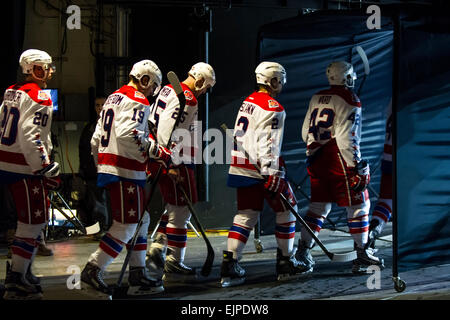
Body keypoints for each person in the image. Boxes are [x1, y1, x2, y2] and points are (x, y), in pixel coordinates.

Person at [80, 60, 172, 297]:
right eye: (153, 86)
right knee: (127, 224)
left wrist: (103, 165)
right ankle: (93, 268)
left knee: (141, 220)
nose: (152, 92)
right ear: (144, 79)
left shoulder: (113, 97)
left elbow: (95, 139)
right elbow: (128, 134)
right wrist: (156, 151)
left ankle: (137, 273)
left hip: (115, 168)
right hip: (125, 171)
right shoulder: (138, 100)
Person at [220, 61, 309, 288]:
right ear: (273, 80)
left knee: (246, 215)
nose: (282, 82)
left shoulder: (248, 101)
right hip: (262, 169)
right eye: (280, 78)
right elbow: (269, 144)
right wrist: (272, 172)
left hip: (241, 165)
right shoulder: (274, 107)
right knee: (288, 210)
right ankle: (285, 261)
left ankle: (229, 264)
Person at [297, 61, 384, 275]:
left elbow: (303, 132)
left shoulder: (316, 96)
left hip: (316, 156)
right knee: (359, 203)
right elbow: (348, 136)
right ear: (346, 77)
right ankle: (362, 254)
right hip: (338, 157)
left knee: (319, 206)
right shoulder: (349, 99)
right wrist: (356, 166)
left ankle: (302, 252)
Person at [146, 62, 216, 283]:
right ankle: (174, 261)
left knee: (174, 208)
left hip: (162, 155)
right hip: (177, 160)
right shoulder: (189, 98)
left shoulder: (168, 88)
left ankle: (159, 243)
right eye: (206, 87)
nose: (204, 92)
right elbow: (170, 131)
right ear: (200, 81)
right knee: (181, 213)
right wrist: (172, 163)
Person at [0, 49, 59, 300]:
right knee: (33, 223)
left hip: (7, 163)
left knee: (28, 223)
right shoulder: (39, 96)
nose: (49, 71)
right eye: (45, 67)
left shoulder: (11, 91)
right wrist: (44, 166)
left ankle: (23, 272)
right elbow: (31, 135)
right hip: (25, 168)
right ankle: (16, 278)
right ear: (34, 69)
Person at [78, 95, 110, 238]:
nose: (100, 108)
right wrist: (82, 170)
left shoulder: (111, 125)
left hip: (105, 169)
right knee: (91, 203)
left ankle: (103, 229)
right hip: (89, 171)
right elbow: (83, 149)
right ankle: (95, 230)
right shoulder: (89, 127)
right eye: (97, 105)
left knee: (102, 202)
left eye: (102, 104)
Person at [367, 101, 392, 249]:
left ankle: (373, 230)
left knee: (386, 200)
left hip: (389, 156)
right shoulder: (420, 98)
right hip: (408, 156)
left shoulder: (392, 100)